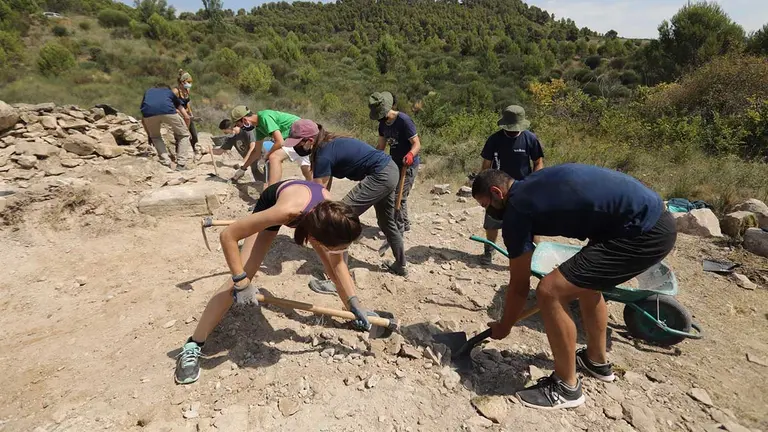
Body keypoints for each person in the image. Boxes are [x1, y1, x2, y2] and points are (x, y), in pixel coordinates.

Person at [470, 165, 676, 410]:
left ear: (497, 193)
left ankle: (566, 387)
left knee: (550, 290)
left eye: (486, 206)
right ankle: (595, 361)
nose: (490, 213)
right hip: (644, 220)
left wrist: (504, 326)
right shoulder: (531, 183)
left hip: (642, 232)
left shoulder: (516, 211)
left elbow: (519, 286)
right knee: (587, 284)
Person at [174, 180, 373, 385]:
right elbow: (227, 236)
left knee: (333, 267)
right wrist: (241, 281)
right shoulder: (286, 212)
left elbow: (337, 265)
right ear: (315, 237)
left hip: (309, 215)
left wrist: (353, 303)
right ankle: (192, 346)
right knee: (240, 277)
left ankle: (352, 309)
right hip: (273, 203)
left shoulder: (336, 218)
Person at [280, 119, 408, 293]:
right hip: (389, 169)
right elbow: (324, 190)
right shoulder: (327, 144)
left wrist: (302, 217)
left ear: (309, 141)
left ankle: (338, 281)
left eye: (298, 144)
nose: (296, 148)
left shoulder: (323, 154)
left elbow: (317, 195)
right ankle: (400, 265)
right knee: (386, 223)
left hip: (381, 175)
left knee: (339, 221)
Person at [478, 105, 544, 265]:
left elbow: (538, 162)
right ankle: (489, 251)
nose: (513, 131)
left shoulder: (530, 139)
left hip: (523, 188)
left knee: (531, 225)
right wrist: (485, 186)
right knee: (492, 221)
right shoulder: (494, 139)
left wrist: (535, 182)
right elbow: (486, 164)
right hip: (497, 189)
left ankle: (537, 256)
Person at [369, 91, 421, 254]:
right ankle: (403, 223)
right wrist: (372, 160)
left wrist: (411, 154)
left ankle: (400, 228)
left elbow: (417, 144)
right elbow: (381, 146)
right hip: (393, 164)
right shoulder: (382, 125)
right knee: (391, 194)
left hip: (408, 165)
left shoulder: (404, 121)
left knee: (401, 196)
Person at [229, 106, 311, 185]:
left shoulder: (265, 117)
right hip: (299, 137)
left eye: (238, 124)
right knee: (305, 168)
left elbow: (280, 142)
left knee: (274, 157)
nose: (240, 127)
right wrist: (243, 169)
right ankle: (315, 188)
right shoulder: (259, 128)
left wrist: (265, 157)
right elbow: (256, 152)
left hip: (302, 134)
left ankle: (271, 190)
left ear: (244, 120)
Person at [140, 84, 193, 171]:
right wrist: (186, 130)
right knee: (184, 136)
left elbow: (143, 115)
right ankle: (181, 165)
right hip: (168, 112)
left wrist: (149, 134)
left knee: (156, 137)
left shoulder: (148, 92)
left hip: (148, 115)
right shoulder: (169, 92)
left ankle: (166, 163)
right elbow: (186, 116)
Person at [172, 69, 201, 159]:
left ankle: (195, 152)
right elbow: (170, 104)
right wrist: (179, 112)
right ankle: (177, 154)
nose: (190, 84)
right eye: (188, 82)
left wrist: (191, 114)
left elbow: (187, 103)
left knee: (194, 135)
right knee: (180, 136)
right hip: (179, 116)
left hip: (187, 116)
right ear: (182, 81)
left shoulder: (186, 91)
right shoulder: (175, 91)